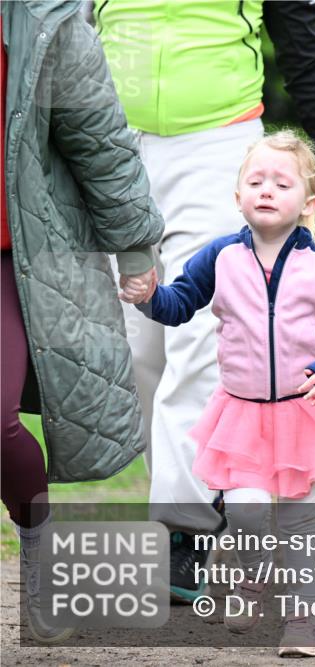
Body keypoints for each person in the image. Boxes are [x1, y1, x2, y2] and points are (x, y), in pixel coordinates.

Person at [96, 0, 315, 601]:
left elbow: (302, 48)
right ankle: (206, 493)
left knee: (202, 336)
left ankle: (184, 529)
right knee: (137, 346)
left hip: (216, 142)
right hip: (108, 140)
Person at [121, 130, 315, 657]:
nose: (266, 189)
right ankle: (254, 577)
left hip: (306, 412)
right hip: (243, 417)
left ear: (305, 204)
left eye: (280, 183)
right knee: (245, 513)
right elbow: (179, 304)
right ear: (237, 195)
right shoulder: (221, 256)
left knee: (302, 523)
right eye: (255, 180)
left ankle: (304, 621)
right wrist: (150, 298)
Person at [1, 0, 163, 643]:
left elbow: (99, 139)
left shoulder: (47, 21)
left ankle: (37, 558)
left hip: (16, 258)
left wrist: (135, 245)